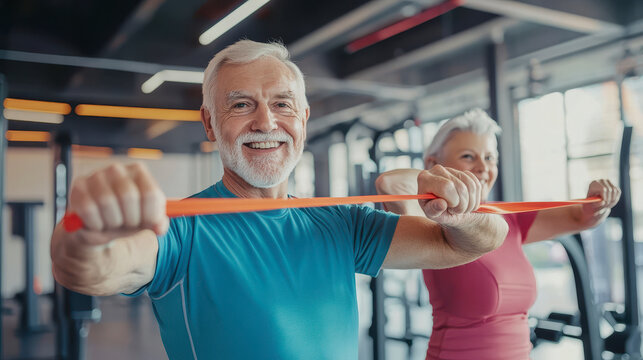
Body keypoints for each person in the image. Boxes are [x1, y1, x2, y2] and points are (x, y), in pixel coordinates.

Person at [49, 41, 509, 359]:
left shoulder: (341, 224)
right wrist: (88, 231)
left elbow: (470, 243)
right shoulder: (181, 230)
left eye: (283, 104)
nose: (266, 122)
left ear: (304, 119)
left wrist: (462, 212)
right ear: (210, 123)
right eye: (241, 104)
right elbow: (90, 268)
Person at [375, 108, 621, 360]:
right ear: (435, 164)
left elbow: (582, 216)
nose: (482, 167)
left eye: (490, 158)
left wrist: (599, 201)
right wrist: (438, 183)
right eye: (468, 156)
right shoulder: (433, 220)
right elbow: (390, 184)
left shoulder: (508, 219)